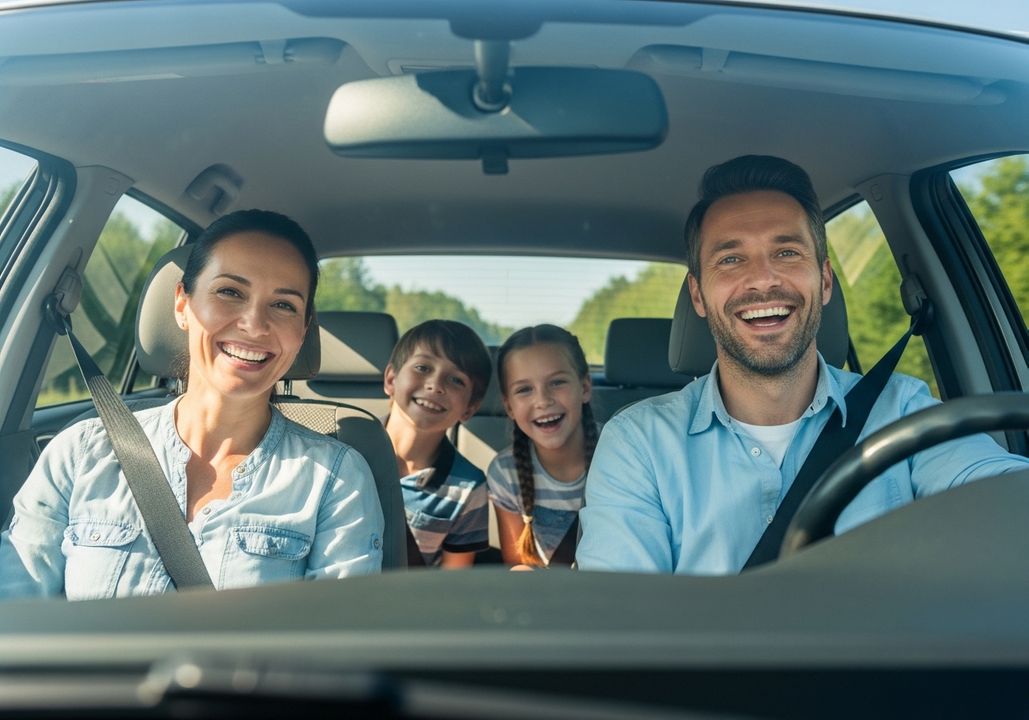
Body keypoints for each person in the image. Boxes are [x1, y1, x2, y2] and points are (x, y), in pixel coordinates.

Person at [576, 155, 1029, 575]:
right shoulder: (639, 444)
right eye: (731, 259)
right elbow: (621, 619)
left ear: (825, 280)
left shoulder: (901, 409)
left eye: (788, 252)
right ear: (698, 295)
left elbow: (999, 494)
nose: (763, 279)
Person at [0, 209, 384, 600]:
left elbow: (336, 647)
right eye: (230, 292)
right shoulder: (80, 453)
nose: (254, 323)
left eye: (283, 305)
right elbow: (13, 616)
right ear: (183, 304)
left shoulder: (337, 479)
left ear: (302, 332)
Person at [383, 319, 492, 568]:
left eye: (456, 380)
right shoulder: (345, 452)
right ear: (391, 379)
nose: (435, 385)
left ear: (469, 409)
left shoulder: (468, 488)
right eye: (422, 367)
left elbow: (452, 584)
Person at [487, 325, 597, 567]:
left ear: (585, 388)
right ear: (509, 407)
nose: (543, 400)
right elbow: (518, 564)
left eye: (557, 382)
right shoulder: (507, 473)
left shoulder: (623, 456)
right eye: (525, 389)